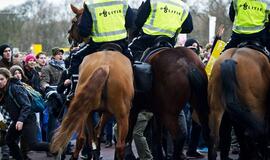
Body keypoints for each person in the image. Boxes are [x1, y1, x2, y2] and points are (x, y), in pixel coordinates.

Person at [68, 0, 134, 93]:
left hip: (97, 44)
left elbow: (84, 31)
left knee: (75, 57)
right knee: (132, 61)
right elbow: (130, 22)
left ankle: (73, 90)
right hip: (120, 43)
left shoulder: (90, 4)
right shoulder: (122, 2)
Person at [0, 68, 50, 160]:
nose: (0, 82)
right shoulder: (3, 90)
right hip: (17, 120)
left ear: (7, 78)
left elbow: (26, 105)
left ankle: (57, 147)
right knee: (9, 140)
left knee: (33, 144)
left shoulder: (15, 87)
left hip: (28, 118)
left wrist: (20, 120)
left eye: (1, 79)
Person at [129, 0, 193, 61]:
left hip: (147, 40)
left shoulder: (153, 1)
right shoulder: (184, 6)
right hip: (169, 42)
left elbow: (139, 21)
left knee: (130, 51)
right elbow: (188, 28)